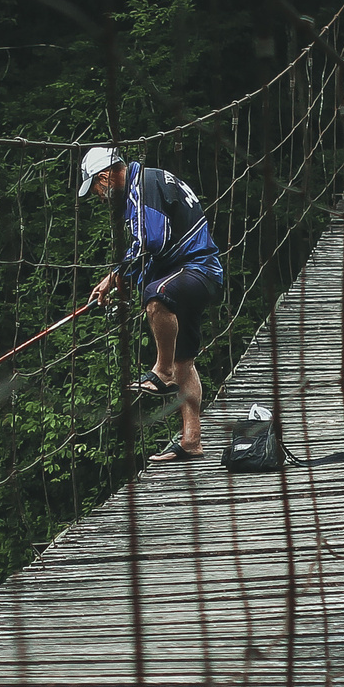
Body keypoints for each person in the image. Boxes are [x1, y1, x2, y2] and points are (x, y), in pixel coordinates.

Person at [78, 145, 224, 463]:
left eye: (97, 190)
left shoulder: (141, 188)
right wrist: (119, 279)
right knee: (186, 361)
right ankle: (191, 441)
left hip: (198, 270)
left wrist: (116, 274)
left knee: (157, 299)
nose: (100, 198)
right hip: (189, 274)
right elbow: (153, 246)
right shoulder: (147, 182)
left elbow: (152, 241)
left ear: (106, 177)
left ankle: (163, 370)